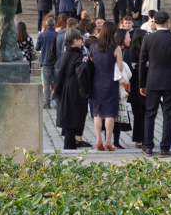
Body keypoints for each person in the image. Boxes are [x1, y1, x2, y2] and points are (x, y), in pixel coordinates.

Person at [138, 11, 171, 156]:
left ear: (154, 23)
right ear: (168, 23)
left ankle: (147, 146)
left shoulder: (148, 39)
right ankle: (164, 147)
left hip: (152, 80)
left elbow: (142, 62)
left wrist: (142, 83)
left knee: (150, 114)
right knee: (169, 115)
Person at [89, 20, 123, 150]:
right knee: (109, 113)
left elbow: (92, 64)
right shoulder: (116, 48)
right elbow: (119, 67)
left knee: (97, 112)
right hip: (111, 82)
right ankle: (108, 141)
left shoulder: (95, 47)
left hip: (96, 81)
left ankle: (98, 139)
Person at [53, 28, 89, 150]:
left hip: (66, 89)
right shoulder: (76, 55)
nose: (83, 40)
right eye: (80, 39)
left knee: (69, 120)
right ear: (75, 41)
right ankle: (69, 149)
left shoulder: (66, 53)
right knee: (73, 119)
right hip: (74, 90)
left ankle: (70, 146)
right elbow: (81, 73)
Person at [36, 15, 59, 109]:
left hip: (45, 61)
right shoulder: (57, 35)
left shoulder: (42, 35)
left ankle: (47, 102)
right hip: (56, 61)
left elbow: (37, 47)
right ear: (54, 25)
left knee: (46, 82)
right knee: (57, 81)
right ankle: (58, 101)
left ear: (46, 24)